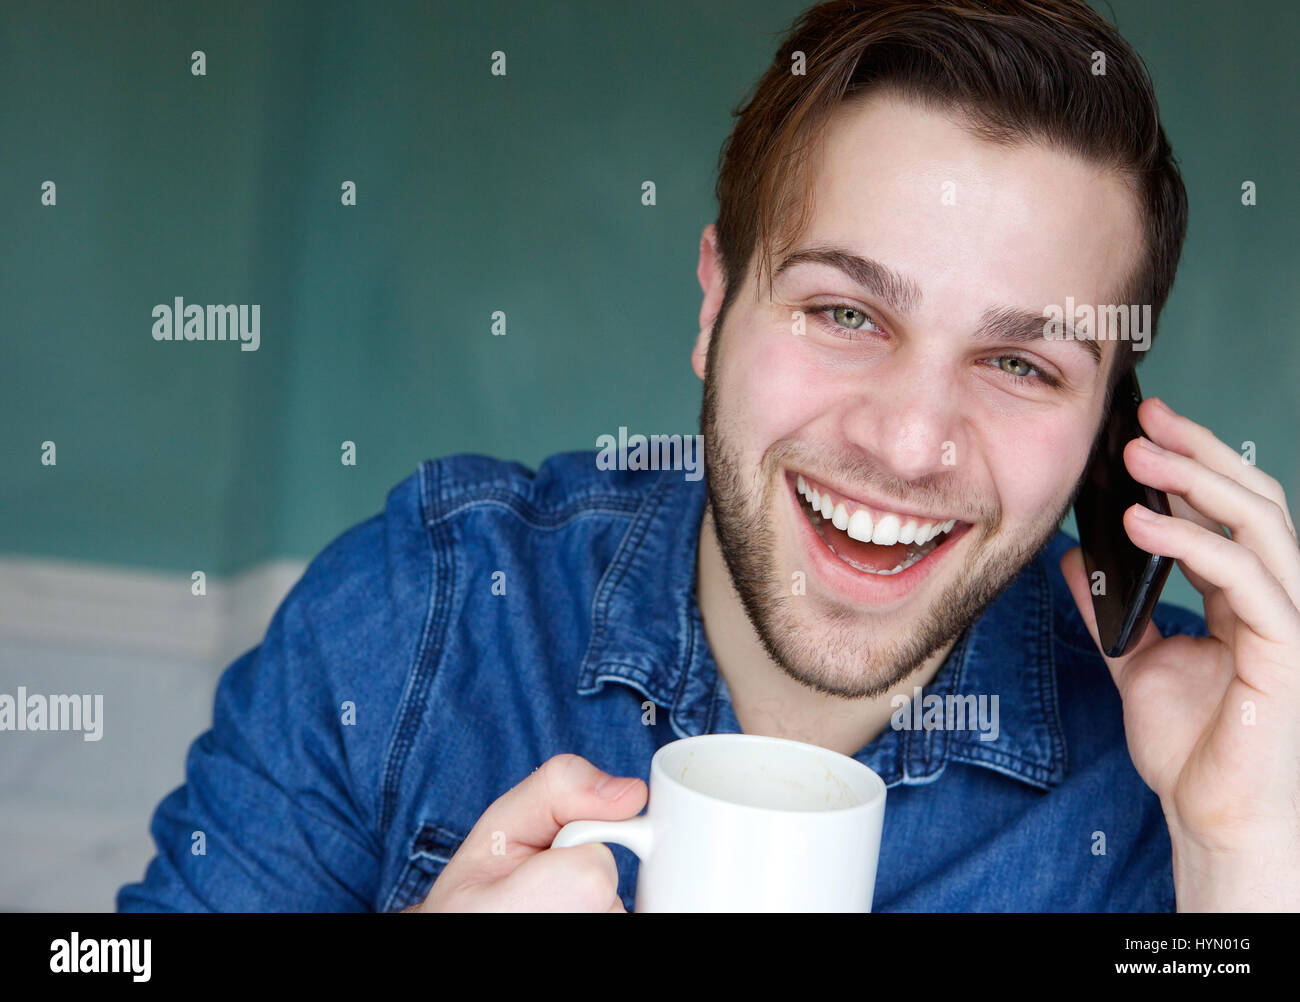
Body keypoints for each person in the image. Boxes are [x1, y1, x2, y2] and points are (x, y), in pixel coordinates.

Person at [118, 0, 1300, 913]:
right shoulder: (414, 610)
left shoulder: (1186, 762)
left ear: (1108, 436)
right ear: (714, 306)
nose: (906, 441)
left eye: (1021, 366)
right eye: (846, 313)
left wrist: (1239, 859)